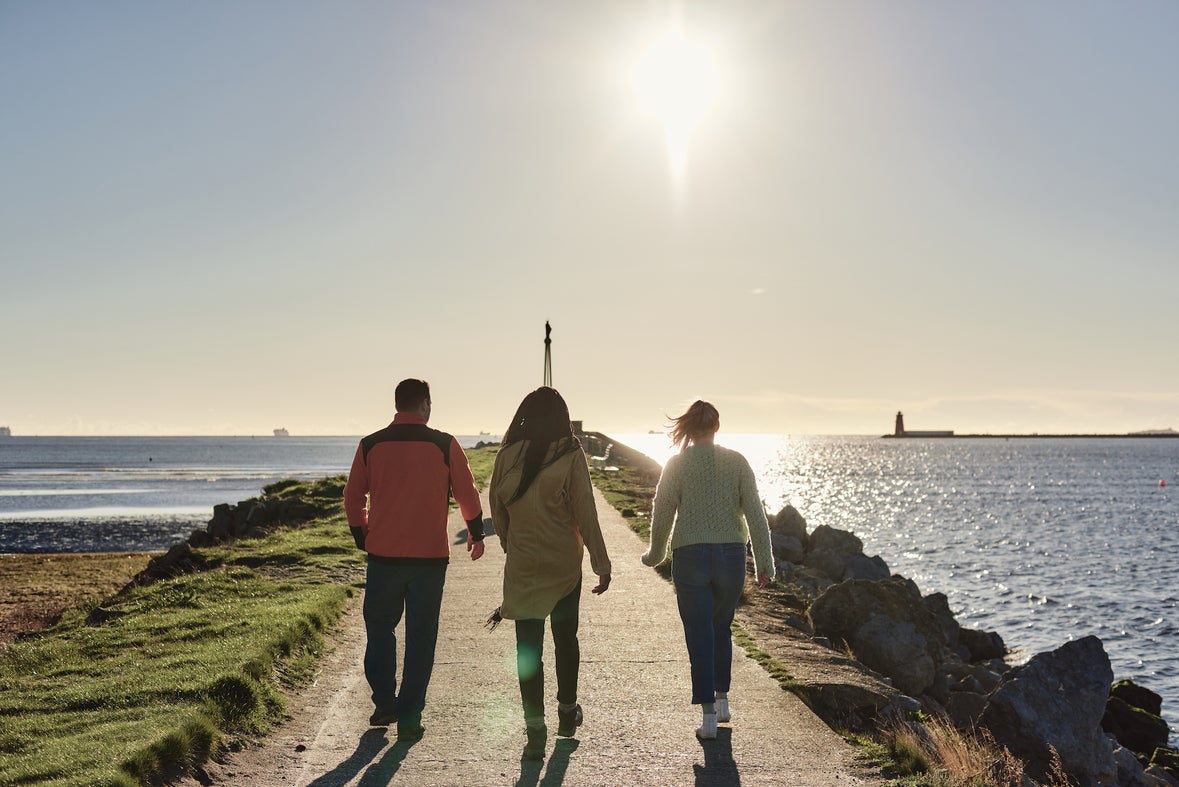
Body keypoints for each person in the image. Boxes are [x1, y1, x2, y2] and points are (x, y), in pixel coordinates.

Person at [343, 378, 486, 742]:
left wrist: (363, 535)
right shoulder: (444, 443)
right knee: (421, 637)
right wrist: (475, 532)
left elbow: (353, 498)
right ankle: (409, 716)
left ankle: (384, 702)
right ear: (423, 404)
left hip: (384, 556)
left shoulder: (370, 445)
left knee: (379, 628)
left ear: (397, 405)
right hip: (429, 559)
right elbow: (467, 494)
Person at [489, 387, 612, 761]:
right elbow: (585, 512)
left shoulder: (507, 455)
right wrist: (601, 564)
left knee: (528, 650)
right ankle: (566, 712)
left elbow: (497, 510)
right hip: (563, 566)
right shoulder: (570, 454)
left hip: (524, 564)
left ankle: (534, 731)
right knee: (565, 640)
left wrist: (513, 545)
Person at [640, 400, 775, 740]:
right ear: (717, 427)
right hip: (731, 557)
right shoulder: (738, 461)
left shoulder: (676, 464)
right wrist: (765, 565)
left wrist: (655, 554)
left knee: (699, 634)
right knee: (721, 628)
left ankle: (709, 717)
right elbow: (756, 516)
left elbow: (662, 513)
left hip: (691, 557)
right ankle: (723, 699)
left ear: (689, 428)